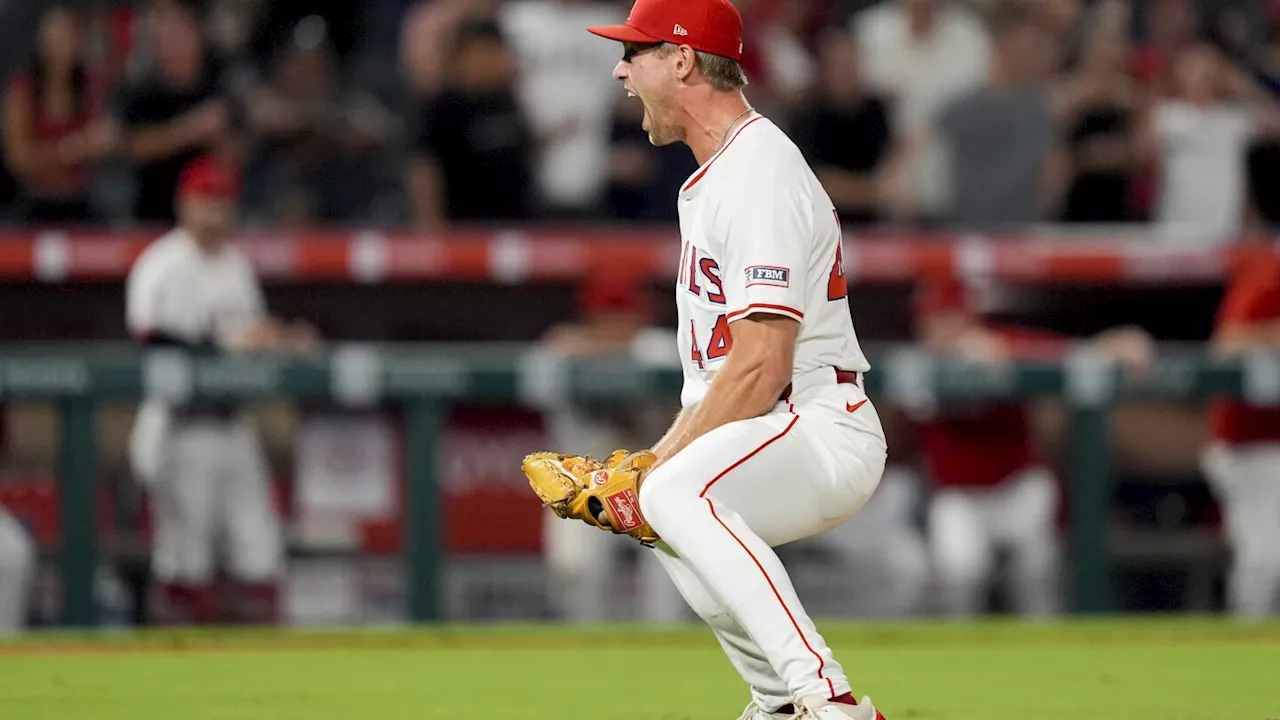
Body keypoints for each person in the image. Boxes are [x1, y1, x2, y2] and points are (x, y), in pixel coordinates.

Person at [585, 1, 888, 717]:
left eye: (637, 52)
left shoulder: (758, 168)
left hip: (817, 422)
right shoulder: (720, 173)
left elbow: (761, 365)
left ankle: (828, 701)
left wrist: (653, 472)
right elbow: (721, 387)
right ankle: (779, 702)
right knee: (658, 508)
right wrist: (647, 467)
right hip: (775, 422)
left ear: (684, 60)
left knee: (670, 493)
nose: (622, 70)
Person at [125, 154, 317, 625]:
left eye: (223, 202)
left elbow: (250, 335)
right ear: (184, 204)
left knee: (260, 555)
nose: (215, 213)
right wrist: (228, 344)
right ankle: (173, 667)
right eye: (205, 201)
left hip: (232, 424)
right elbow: (154, 340)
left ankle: (258, 675)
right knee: (184, 562)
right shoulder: (161, 264)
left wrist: (281, 339)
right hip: (177, 424)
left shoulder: (236, 266)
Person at [911, 276, 1155, 617]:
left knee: (1036, 574)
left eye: (953, 320)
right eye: (935, 322)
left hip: (1017, 484)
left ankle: (1046, 654)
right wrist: (975, 370)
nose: (944, 330)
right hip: (959, 495)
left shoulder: (1001, 344)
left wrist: (1110, 346)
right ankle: (960, 660)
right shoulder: (917, 364)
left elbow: (1062, 355)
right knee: (959, 574)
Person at [525, 277, 686, 622]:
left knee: (672, 564)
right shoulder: (559, 349)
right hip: (584, 480)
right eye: (606, 315)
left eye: (624, 314)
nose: (616, 323)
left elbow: (669, 362)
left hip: (649, 480)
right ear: (589, 316)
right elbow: (535, 372)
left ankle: (662, 649)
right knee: (575, 566)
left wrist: (605, 354)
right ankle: (588, 651)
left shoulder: (656, 348)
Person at [1200, 250, 1280, 617]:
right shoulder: (1270, 270)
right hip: (1249, 447)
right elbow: (1227, 345)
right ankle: (1246, 641)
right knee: (1266, 558)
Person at [2, 3, 117, 224]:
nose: (65, 42)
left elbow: (103, 142)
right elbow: (19, 158)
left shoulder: (91, 86)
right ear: (43, 37)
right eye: (58, 32)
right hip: (34, 202)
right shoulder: (23, 90)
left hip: (81, 201)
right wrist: (73, 149)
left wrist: (98, 143)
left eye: (72, 32)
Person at [117, 0, 230, 225]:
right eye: (168, 38)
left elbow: (236, 153)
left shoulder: (218, 84)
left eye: (183, 35)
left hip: (209, 218)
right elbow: (133, 148)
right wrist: (191, 130)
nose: (177, 46)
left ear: (198, 38)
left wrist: (220, 139)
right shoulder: (143, 92)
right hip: (154, 214)